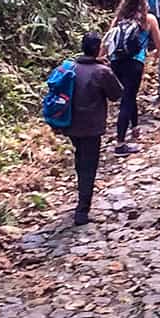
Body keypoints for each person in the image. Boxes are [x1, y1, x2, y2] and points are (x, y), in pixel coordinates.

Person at [65, 32, 123, 225]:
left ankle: (81, 197)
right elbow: (116, 94)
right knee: (89, 166)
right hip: (91, 126)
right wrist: (109, 68)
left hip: (71, 124)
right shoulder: (101, 71)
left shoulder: (72, 68)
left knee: (81, 160)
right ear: (98, 49)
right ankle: (82, 210)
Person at [101, 0, 160, 154]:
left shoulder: (118, 19)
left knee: (128, 95)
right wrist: (154, 57)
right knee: (127, 99)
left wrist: (100, 58)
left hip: (116, 62)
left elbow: (106, 41)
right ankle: (120, 143)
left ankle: (135, 127)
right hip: (135, 63)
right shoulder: (148, 20)